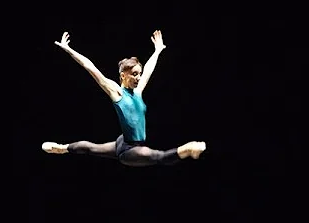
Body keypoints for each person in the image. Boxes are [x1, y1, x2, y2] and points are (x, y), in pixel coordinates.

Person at [42, 30, 206, 167]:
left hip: (122, 142)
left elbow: (148, 69)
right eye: (134, 74)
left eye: (139, 74)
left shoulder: (138, 91)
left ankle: (62, 148)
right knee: (159, 157)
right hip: (129, 151)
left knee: (91, 148)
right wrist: (68, 49)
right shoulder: (116, 92)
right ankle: (187, 149)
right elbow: (89, 66)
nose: (138, 78)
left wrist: (157, 50)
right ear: (123, 75)